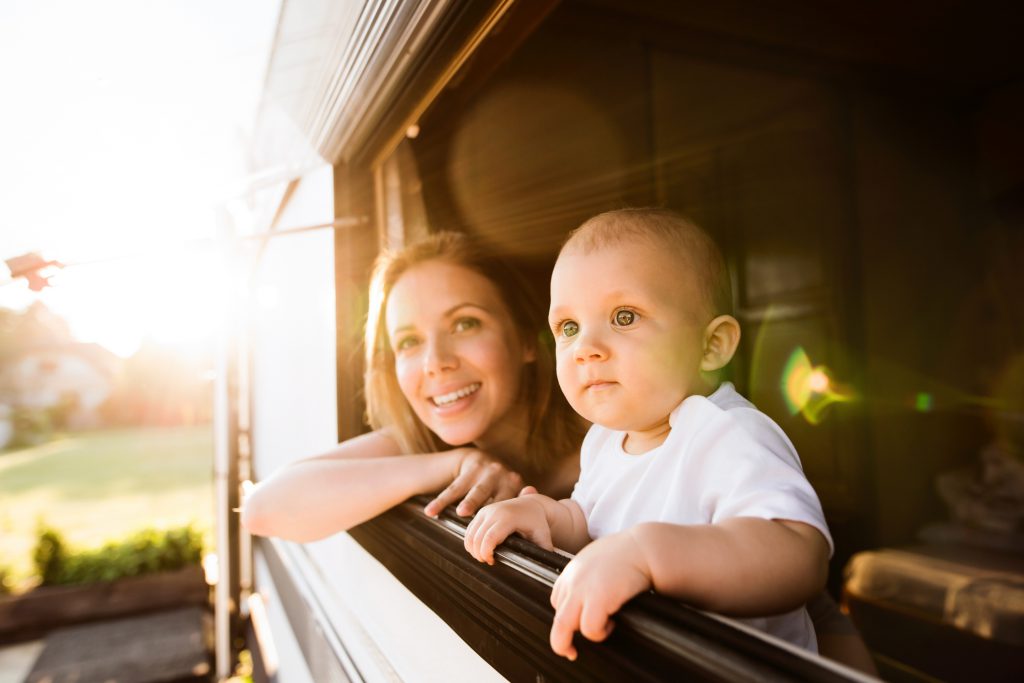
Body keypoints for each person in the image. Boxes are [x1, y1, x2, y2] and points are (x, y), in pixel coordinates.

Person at [464, 208, 833, 660]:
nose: (585, 349)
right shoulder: (604, 439)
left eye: (624, 317)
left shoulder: (727, 432)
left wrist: (648, 555)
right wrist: (546, 516)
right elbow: (591, 524)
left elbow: (798, 555)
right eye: (569, 327)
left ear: (711, 345)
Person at [242, 231, 586, 542]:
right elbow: (263, 509)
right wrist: (454, 463)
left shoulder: (611, 443)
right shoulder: (420, 440)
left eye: (465, 324)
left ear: (526, 339)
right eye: (409, 342)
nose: (434, 362)